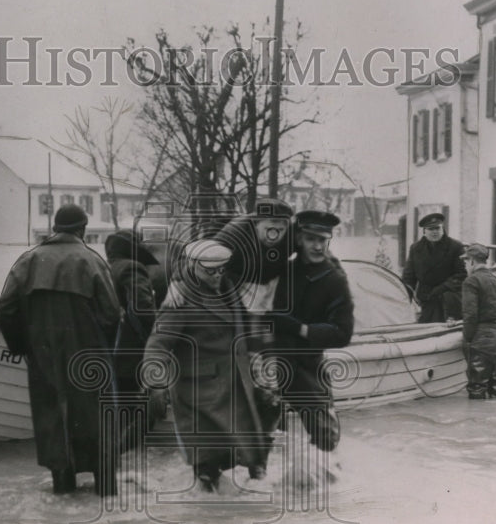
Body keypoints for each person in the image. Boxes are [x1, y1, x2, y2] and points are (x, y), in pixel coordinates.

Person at [0, 204, 122, 496]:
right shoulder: (92, 261)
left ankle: (62, 495)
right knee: (97, 424)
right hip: (90, 356)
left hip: (44, 356)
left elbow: (6, 307)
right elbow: (112, 314)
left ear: (54, 228)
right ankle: (105, 496)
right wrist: (105, 350)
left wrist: (21, 345)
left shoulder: (27, 261)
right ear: (82, 229)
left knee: (53, 421)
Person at [143, 239, 265, 492]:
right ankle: (205, 515)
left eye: (221, 269)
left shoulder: (228, 287)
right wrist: (155, 383)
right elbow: (158, 343)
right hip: (200, 395)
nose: (216, 276)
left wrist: (259, 355)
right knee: (207, 466)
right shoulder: (180, 299)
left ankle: (239, 514)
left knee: (250, 456)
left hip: (235, 385)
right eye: (209, 270)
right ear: (192, 265)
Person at [214, 197, 295, 478]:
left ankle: (259, 462)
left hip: (268, 309)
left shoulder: (293, 235)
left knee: (270, 390)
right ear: (255, 223)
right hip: (232, 303)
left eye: (280, 229)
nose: (275, 235)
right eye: (269, 228)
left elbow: (317, 259)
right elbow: (197, 274)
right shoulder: (232, 235)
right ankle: (216, 465)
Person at [264, 210, 354, 454]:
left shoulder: (334, 279)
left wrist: (301, 328)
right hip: (272, 360)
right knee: (262, 435)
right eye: (311, 239)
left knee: (326, 437)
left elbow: (343, 333)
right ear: (299, 239)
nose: (317, 246)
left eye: (322, 240)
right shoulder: (284, 270)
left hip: (307, 363)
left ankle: (329, 486)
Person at [104, 229, 166, 448]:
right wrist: (158, 340)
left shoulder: (105, 269)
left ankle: (113, 461)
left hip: (110, 352)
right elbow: (143, 309)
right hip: (132, 353)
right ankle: (125, 459)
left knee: (117, 409)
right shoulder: (132, 268)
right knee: (133, 411)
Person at [460, 243, 496, 400]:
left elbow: (470, 315)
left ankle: (477, 423)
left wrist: (468, 340)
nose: (465, 265)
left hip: (483, 339)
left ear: (471, 261)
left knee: (477, 390)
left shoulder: (471, 281)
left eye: (465, 261)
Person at [401, 212, 466, 323]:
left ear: (443, 228)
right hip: (426, 298)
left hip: (449, 298)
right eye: (431, 229)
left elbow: (462, 274)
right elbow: (409, 276)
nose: (435, 232)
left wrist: (442, 288)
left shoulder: (455, 247)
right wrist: (405, 296)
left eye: (437, 228)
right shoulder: (416, 248)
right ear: (424, 231)